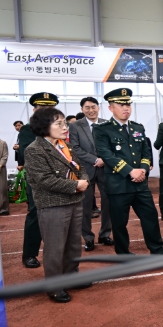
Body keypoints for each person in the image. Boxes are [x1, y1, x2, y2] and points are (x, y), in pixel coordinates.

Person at [24, 107, 90, 303]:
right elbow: (45, 180)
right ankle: (54, 286)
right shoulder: (34, 150)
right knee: (55, 248)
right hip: (53, 205)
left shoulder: (64, 145)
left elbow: (79, 168)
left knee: (73, 244)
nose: (65, 127)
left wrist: (83, 180)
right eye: (59, 124)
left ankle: (71, 275)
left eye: (64, 123)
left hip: (74, 201)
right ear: (44, 126)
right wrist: (76, 185)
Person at [93, 88, 163, 256]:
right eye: (121, 105)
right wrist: (130, 171)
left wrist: (142, 170)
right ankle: (123, 254)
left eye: (128, 104)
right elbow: (106, 155)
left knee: (150, 217)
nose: (126, 108)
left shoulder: (137, 127)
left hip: (140, 184)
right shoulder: (102, 129)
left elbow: (145, 151)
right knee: (119, 223)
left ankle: (158, 250)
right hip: (118, 185)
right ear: (110, 108)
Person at [18, 92, 60, 269]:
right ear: (35, 110)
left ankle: (59, 255)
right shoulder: (27, 130)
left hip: (60, 180)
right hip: (39, 181)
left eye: (50, 108)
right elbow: (26, 153)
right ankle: (29, 254)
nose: (46, 110)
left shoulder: (60, 127)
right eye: (42, 107)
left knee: (60, 216)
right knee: (36, 215)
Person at [68, 96, 114, 252]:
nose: (91, 110)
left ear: (98, 107)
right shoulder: (75, 126)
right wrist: (95, 159)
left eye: (93, 107)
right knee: (85, 205)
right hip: (85, 170)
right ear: (82, 109)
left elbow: (113, 145)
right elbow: (75, 148)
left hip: (106, 169)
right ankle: (88, 237)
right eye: (87, 107)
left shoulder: (107, 124)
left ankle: (105, 234)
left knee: (108, 203)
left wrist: (105, 159)